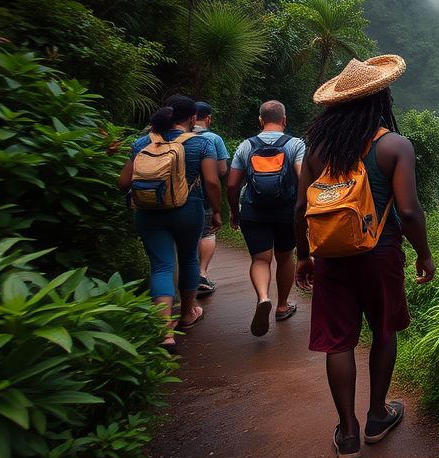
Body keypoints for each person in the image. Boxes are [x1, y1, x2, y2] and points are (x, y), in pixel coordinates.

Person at [294, 56, 435, 458]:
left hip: (332, 257)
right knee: (384, 330)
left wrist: (304, 257)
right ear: (381, 99)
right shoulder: (393, 145)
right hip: (381, 253)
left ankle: (348, 432)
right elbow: (409, 211)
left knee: (338, 341)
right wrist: (424, 254)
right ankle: (377, 416)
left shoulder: (318, 148)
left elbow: (300, 206)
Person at [117, 95, 222, 349]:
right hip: (189, 209)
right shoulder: (201, 144)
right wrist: (217, 210)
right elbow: (211, 181)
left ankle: (164, 332)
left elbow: (122, 183)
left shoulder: (142, 142)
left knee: (161, 267)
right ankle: (187, 315)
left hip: (149, 212)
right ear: (193, 118)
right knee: (188, 259)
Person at [227, 100, 306, 337]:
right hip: (286, 212)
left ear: (260, 120)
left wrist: (234, 211)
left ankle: (263, 297)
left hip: (254, 211)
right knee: (284, 257)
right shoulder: (295, 145)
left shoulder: (245, 146)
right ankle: (282, 306)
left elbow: (232, 184)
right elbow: (303, 178)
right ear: (284, 120)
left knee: (260, 260)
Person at [193, 101, 229, 297]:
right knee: (206, 233)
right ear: (208, 118)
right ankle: (201, 274)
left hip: (176, 196)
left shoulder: (177, 136)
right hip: (204, 195)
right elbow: (222, 170)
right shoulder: (212, 138)